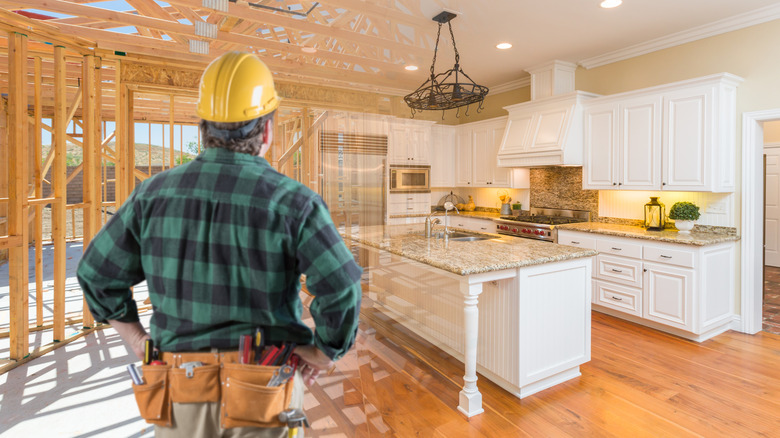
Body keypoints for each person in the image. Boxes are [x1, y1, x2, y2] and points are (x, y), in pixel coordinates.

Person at [77, 51, 363, 437]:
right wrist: (325, 351)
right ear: (266, 131)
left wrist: (137, 339)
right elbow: (342, 285)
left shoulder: (151, 196)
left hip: (180, 391)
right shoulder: (295, 203)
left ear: (203, 129)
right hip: (264, 388)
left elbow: (95, 274)